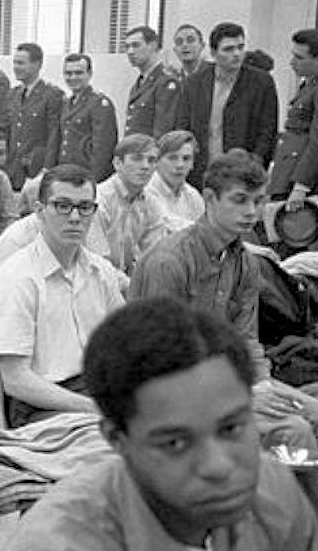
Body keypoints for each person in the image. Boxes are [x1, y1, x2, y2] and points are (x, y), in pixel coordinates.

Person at [0, 297, 318, 551]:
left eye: (231, 428)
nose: (218, 466)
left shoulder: (273, 492)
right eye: (175, 443)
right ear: (117, 440)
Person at [131, 150, 318, 449]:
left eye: (258, 201)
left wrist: (263, 386)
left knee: (314, 410)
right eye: (239, 200)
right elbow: (160, 359)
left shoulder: (244, 260)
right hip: (169, 393)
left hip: (223, 382)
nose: (252, 212)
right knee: (293, 429)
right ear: (209, 198)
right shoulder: (169, 262)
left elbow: (247, 342)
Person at [0, 164, 125, 426]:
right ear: (40, 212)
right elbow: (16, 381)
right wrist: (93, 408)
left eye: (84, 208)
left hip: (93, 388)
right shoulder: (17, 279)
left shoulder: (102, 272)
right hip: (39, 406)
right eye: (62, 206)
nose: (75, 217)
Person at [175, 21, 279, 186]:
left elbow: (267, 130)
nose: (237, 54)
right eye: (228, 49)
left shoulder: (261, 82)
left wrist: (255, 164)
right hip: (201, 171)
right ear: (214, 53)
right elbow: (183, 126)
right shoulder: (194, 83)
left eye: (240, 47)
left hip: (242, 171)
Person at [94, 133, 169, 275]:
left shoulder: (151, 202)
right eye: (137, 159)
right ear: (117, 163)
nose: (145, 166)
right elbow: (97, 262)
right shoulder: (99, 200)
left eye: (152, 160)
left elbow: (155, 257)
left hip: (128, 280)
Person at [1, 42, 62, 191]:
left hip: (35, 169)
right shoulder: (12, 95)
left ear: (37, 64)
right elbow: (7, 132)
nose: (16, 67)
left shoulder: (51, 95)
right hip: (12, 169)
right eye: (15, 62)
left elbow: (54, 135)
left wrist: (47, 167)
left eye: (21, 63)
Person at [270, 28, 318, 208]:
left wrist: (301, 186)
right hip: (287, 173)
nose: (292, 63)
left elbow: (316, 141)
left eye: (299, 58)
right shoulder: (309, 84)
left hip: (301, 180)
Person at [54, 53, 118, 183]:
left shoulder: (99, 103)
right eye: (68, 73)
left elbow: (103, 149)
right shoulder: (66, 103)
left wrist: (92, 180)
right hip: (66, 173)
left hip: (87, 175)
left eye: (78, 73)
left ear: (89, 74)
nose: (73, 77)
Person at [123, 26, 180, 138]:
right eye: (127, 47)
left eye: (136, 45)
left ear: (153, 46)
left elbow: (163, 130)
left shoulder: (165, 82)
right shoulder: (139, 83)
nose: (130, 52)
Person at [145, 130, 204, 232]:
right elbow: (165, 225)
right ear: (157, 162)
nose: (179, 165)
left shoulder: (193, 196)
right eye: (172, 158)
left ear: (192, 164)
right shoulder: (145, 191)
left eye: (186, 159)